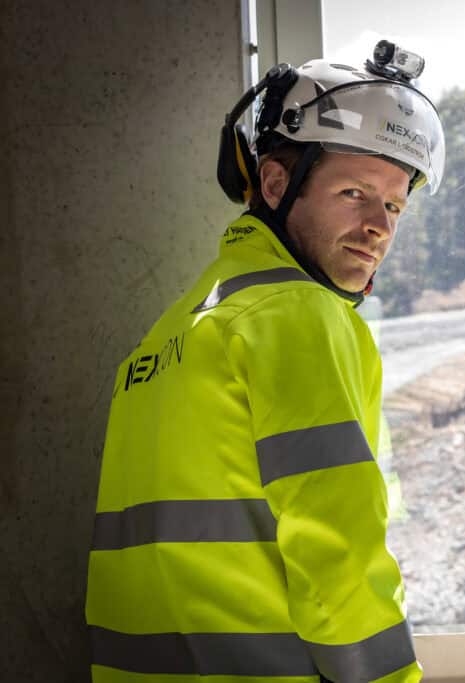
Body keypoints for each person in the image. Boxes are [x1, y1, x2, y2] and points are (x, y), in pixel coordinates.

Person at [85, 43, 445, 683]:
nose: (379, 226)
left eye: (394, 205)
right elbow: (339, 557)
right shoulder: (294, 314)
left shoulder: (166, 337)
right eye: (355, 193)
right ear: (276, 185)